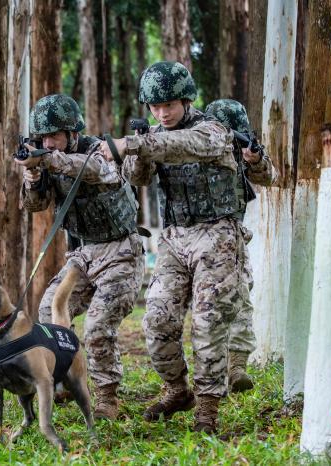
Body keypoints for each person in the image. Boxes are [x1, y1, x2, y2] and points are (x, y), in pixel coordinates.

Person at [98, 62, 275, 433]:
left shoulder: (212, 128)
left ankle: (207, 408)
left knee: (209, 323)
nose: (162, 113)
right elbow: (138, 177)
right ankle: (177, 389)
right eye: (155, 106)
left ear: (186, 100)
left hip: (218, 236)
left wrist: (134, 143)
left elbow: (190, 144)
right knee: (157, 319)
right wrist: (138, 152)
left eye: (169, 105)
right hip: (175, 238)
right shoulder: (154, 134)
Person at [16, 94, 145, 420]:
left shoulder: (97, 151)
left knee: (99, 324)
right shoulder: (48, 160)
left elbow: (92, 170)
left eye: (54, 135)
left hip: (120, 251)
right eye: (42, 137)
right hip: (82, 253)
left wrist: (47, 160)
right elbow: (34, 206)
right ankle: (62, 379)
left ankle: (107, 397)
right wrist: (32, 179)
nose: (48, 142)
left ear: (73, 132)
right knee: (48, 311)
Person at [204, 98, 260, 393]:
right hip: (194, 242)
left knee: (240, 300)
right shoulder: (196, 147)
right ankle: (206, 371)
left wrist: (255, 160)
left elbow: (269, 175)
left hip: (231, 240)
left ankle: (237, 366)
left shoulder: (243, 156)